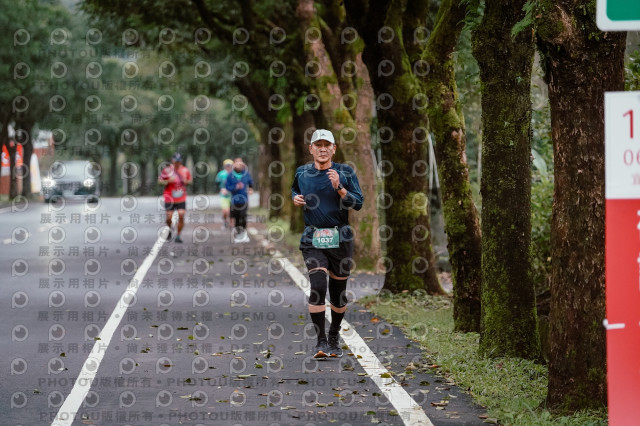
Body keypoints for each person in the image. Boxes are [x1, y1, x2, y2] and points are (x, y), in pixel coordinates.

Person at [291, 129, 364, 358]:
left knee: (338, 293)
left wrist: (340, 188)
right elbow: (295, 188)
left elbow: (358, 203)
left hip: (340, 238)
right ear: (311, 148)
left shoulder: (345, 172)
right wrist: (296, 197)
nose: (322, 148)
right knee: (318, 286)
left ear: (334, 148)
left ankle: (334, 336)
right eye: (318, 144)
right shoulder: (302, 172)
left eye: (327, 145)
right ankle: (321, 341)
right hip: (313, 238)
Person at [158, 152, 193, 243]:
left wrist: (187, 182)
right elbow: (160, 181)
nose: (177, 163)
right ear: (172, 160)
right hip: (169, 197)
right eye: (175, 161)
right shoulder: (167, 170)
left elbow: (190, 181)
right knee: (169, 217)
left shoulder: (185, 170)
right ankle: (169, 229)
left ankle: (178, 235)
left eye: (179, 161)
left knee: (181, 215)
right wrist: (168, 181)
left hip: (181, 198)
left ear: (181, 161)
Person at [225, 157, 254, 241]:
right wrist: (236, 187)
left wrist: (251, 189)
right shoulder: (230, 175)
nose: (239, 165)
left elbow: (251, 183)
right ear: (234, 165)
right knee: (237, 218)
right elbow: (228, 187)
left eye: (240, 163)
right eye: (237, 163)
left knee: (243, 216)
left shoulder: (246, 174)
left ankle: (244, 233)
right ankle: (238, 234)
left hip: (244, 200)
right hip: (234, 201)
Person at [215, 159, 234, 228]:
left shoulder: (234, 174)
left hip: (232, 195)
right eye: (227, 165)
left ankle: (231, 224)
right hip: (223, 195)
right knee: (225, 211)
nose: (228, 167)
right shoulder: (221, 174)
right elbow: (217, 183)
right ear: (225, 166)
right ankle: (225, 220)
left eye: (230, 165)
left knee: (231, 210)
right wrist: (221, 189)